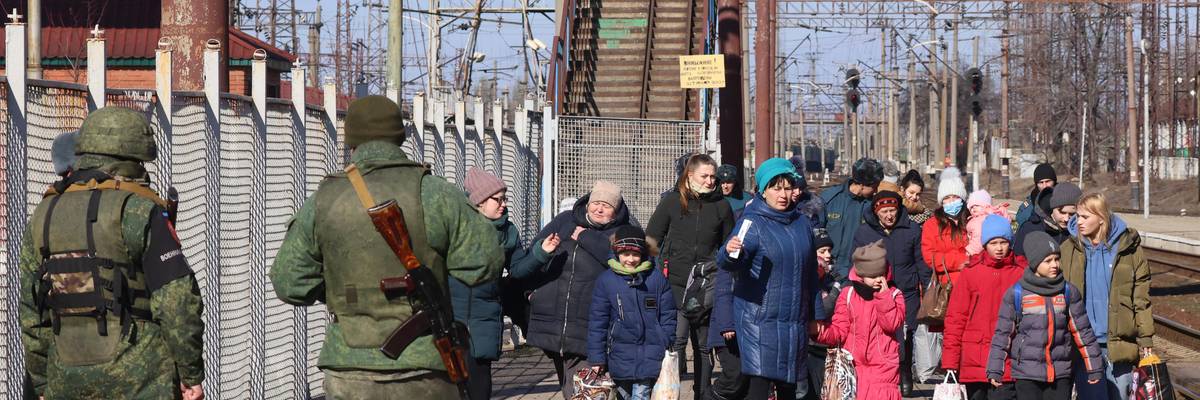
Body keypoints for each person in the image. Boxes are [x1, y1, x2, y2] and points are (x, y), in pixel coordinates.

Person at [270, 96, 505, 398]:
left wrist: (343, 288)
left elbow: (290, 283)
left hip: (349, 370)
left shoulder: (323, 200)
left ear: (350, 141)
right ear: (400, 136)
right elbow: (484, 264)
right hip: (425, 366)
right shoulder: (435, 193)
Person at [19, 107, 205, 399]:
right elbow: (177, 302)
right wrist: (191, 373)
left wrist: (43, 382)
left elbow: (31, 310)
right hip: (143, 380)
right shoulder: (139, 210)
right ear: (132, 160)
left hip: (64, 379)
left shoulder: (44, 214)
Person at [717, 158, 824, 400]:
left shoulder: (802, 224)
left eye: (788, 187)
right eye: (776, 188)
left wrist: (815, 315)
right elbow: (729, 262)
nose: (783, 194)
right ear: (763, 191)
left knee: (789, 389)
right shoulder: (751, 221)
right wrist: (731, 252)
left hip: (793, 321)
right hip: (758, 321)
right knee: (759, 387)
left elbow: (810, 275)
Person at [458, 167, 562, 399]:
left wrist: (540, 253)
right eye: (498, 199)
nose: (504, 204)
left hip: (485, 314)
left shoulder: (507, 230)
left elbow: (517, 269)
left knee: (479, 380)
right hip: (454, 313)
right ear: (479, 201)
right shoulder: (457, 226)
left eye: (505, 198)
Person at [526, 180, 634, 399]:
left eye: (606, 205)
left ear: (616, 210)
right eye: (595, 202)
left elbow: (626, 264)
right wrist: (531, 292)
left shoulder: (623, 231)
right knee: (572, 387)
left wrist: (586, 237)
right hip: (555, 321)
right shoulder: (565, 221)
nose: (599, 208)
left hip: (592, 325)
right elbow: (534, 254)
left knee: (586, 390)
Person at [646, 154, 734, 398]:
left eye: (713, 177)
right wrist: (651, 274)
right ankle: (667, 393)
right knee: (675, 344)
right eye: (704, 176)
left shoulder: (721, 206)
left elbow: (728, 245)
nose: (709, 181)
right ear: (690, 175)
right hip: (675, 283)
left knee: (704, 347)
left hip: (706, 286)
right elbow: (652, 238)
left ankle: (702, 394)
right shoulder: (672, 202)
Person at [986, 231, 1104, 400]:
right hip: (1027, 373)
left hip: (1060, 372)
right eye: (1048, 261)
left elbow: (1084, 332)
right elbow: (1003, 334)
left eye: (1056, 259)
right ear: (1034, 264)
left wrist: (1094, 367)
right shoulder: (1017, 293)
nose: (1054, 264)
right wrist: (995, 367)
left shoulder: (1068, 292)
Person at [1061, 193, 1154, 400]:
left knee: (1120, 395)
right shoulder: (1069, 249)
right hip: (1083, 343)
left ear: (1101, 218)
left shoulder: (1128, 249)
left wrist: (1146, 336)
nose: (1078, 222)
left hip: (1119, 342)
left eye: (1085, 217)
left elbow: (1141, 298)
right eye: (1078, 216)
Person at [853, 189, 929, 396]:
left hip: (907, 292)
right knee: (883, 334)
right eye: (884, 211)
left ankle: (905, 371)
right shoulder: (864, 232)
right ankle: (886, 374)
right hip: (876, 292)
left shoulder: (912, 229)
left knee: (906, 336)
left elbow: (921, 262)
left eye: (892, 210)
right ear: (876, 212)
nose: (889, 215)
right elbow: (857, 262)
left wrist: (927, 287)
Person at [588, 226, 677, 400]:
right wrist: (597, 358)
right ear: (617, 252)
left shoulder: (656, 279)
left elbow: (668, 314)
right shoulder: (606, 281)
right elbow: (598, 322)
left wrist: (665, 338)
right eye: (625, 254)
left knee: (642, 395)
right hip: (618, 355)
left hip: (650, 353)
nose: (630, 259)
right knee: (622, 395)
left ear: (643, 253)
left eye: (635, 254)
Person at [943, 215, 1026, 400]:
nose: (998, 248)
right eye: (993, 242)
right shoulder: (971, 273)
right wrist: (950, 360)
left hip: (1008, 357)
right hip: (974, 357)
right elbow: (956, 318)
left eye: (1003, 242)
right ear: (984, 244)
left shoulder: (1020, 273)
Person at [814, 240, 906, 400]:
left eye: (882, 274)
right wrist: (820, 332)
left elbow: (891, 324)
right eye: (873, 275)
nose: (879, 279)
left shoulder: (894, 295)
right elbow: (839, 331)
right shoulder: (848, 295)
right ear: (861, 275)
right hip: (852, 368)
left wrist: (884, 297)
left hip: (883, 369)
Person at [820, 158, 883, 284]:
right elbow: (816, 234)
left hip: (859, 273)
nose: (876, 191)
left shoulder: (874, 205)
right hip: (829, 271)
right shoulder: (830, 199)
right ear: (861, 184)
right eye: (874, 187)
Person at [922, 167, 971, 285]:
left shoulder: (972, 220)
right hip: (946, 285)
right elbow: (929, 256)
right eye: (947, 198)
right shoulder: (932, 225)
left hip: (972, 281)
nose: (951, 201)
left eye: (955, 197)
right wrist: (959, 261)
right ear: (941, 202)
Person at [1014, 183, 1081, 256]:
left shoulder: (1082, 230)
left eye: (1072, 214)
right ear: (1052, 208)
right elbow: (1019, 259)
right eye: (1062, 212)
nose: (1066, 219)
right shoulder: (1030, 228)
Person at [965, 190, 1011, 256]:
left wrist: (971, 251)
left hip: (978, 253)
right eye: (971, 207)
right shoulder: (989, 217)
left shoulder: (979, 221)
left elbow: (978, 238)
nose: (973, 208)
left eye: (977, 205)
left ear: (986, 206)